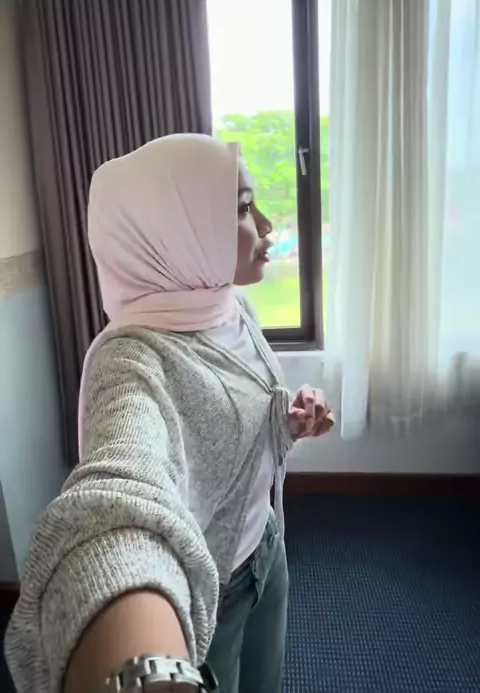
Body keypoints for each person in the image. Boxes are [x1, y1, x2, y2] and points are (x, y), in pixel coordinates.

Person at [5, 134, 334, 693]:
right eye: (242, 208)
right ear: (180, 232)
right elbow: (121, 494)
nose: (266, 223)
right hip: (212, 594)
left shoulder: (230, 305)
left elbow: (224, 415)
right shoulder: (131, 360)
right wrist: (143, 664)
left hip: (266, 548)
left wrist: (287, 420)